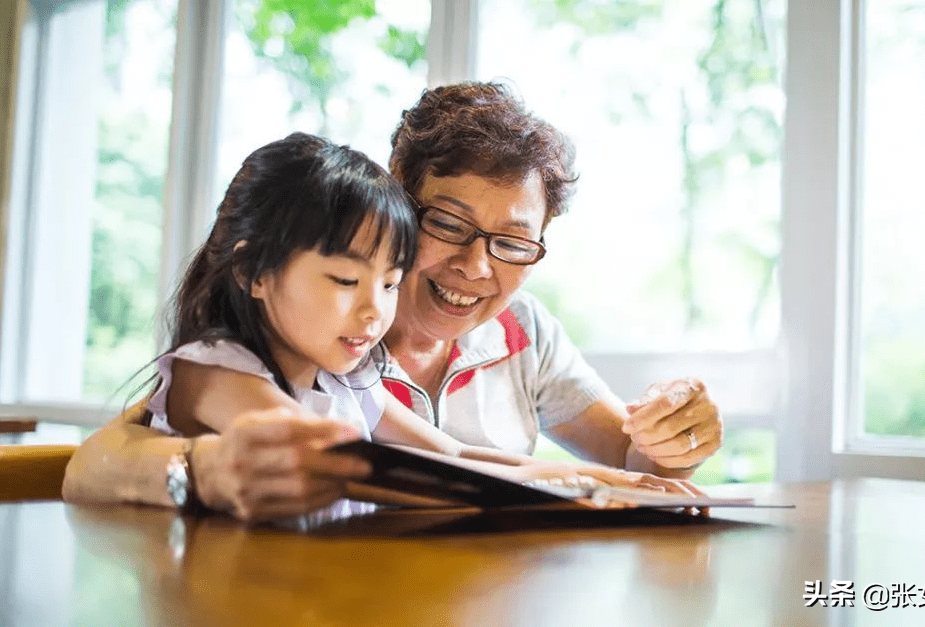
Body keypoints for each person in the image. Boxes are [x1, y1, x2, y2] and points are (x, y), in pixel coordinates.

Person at [63, 82, 723, 521]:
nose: (475, 265)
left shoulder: (355, 368)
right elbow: (372, 469)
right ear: (401, 200)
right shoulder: (241, 358)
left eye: (513, 242)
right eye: (449, 225)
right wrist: (562, 496)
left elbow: (455, 458)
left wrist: (628, 472)